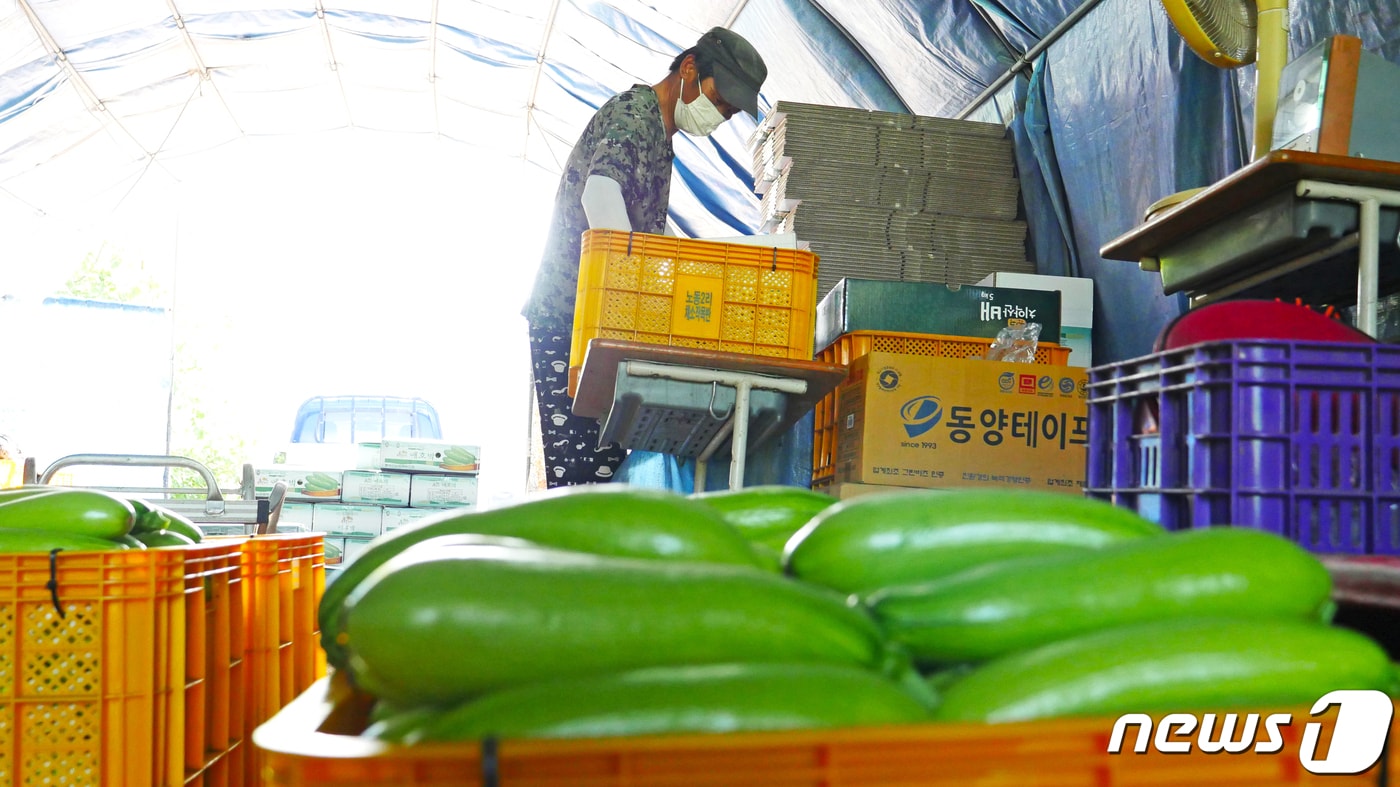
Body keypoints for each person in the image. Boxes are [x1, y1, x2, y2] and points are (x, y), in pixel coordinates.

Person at [522, 27, 768, 489]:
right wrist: (644, 291)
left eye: (730, 111)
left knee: (601, 471)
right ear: (689, 69)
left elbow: (649, 227)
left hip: (592, 327)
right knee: (581, 482)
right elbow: (600, 197)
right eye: (719, 100)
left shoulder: (659, 130)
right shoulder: (635, 115)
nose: (721, 114)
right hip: (568, 320)